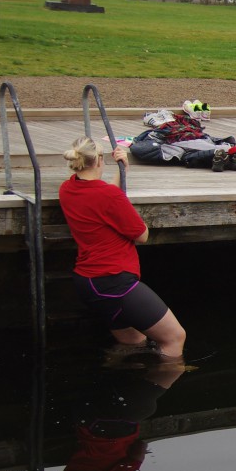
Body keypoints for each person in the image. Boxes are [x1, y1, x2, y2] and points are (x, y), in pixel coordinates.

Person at [59, 137, 186, 359]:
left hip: (89, 282)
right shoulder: (109, 196)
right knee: (174, 337)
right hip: (114, 281)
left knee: (134, 342)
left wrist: (121, 172)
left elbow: (100, 197)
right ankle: (160, 385)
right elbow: (142, 235)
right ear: (99, 160)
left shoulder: (68, 188)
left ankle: (117, 383)